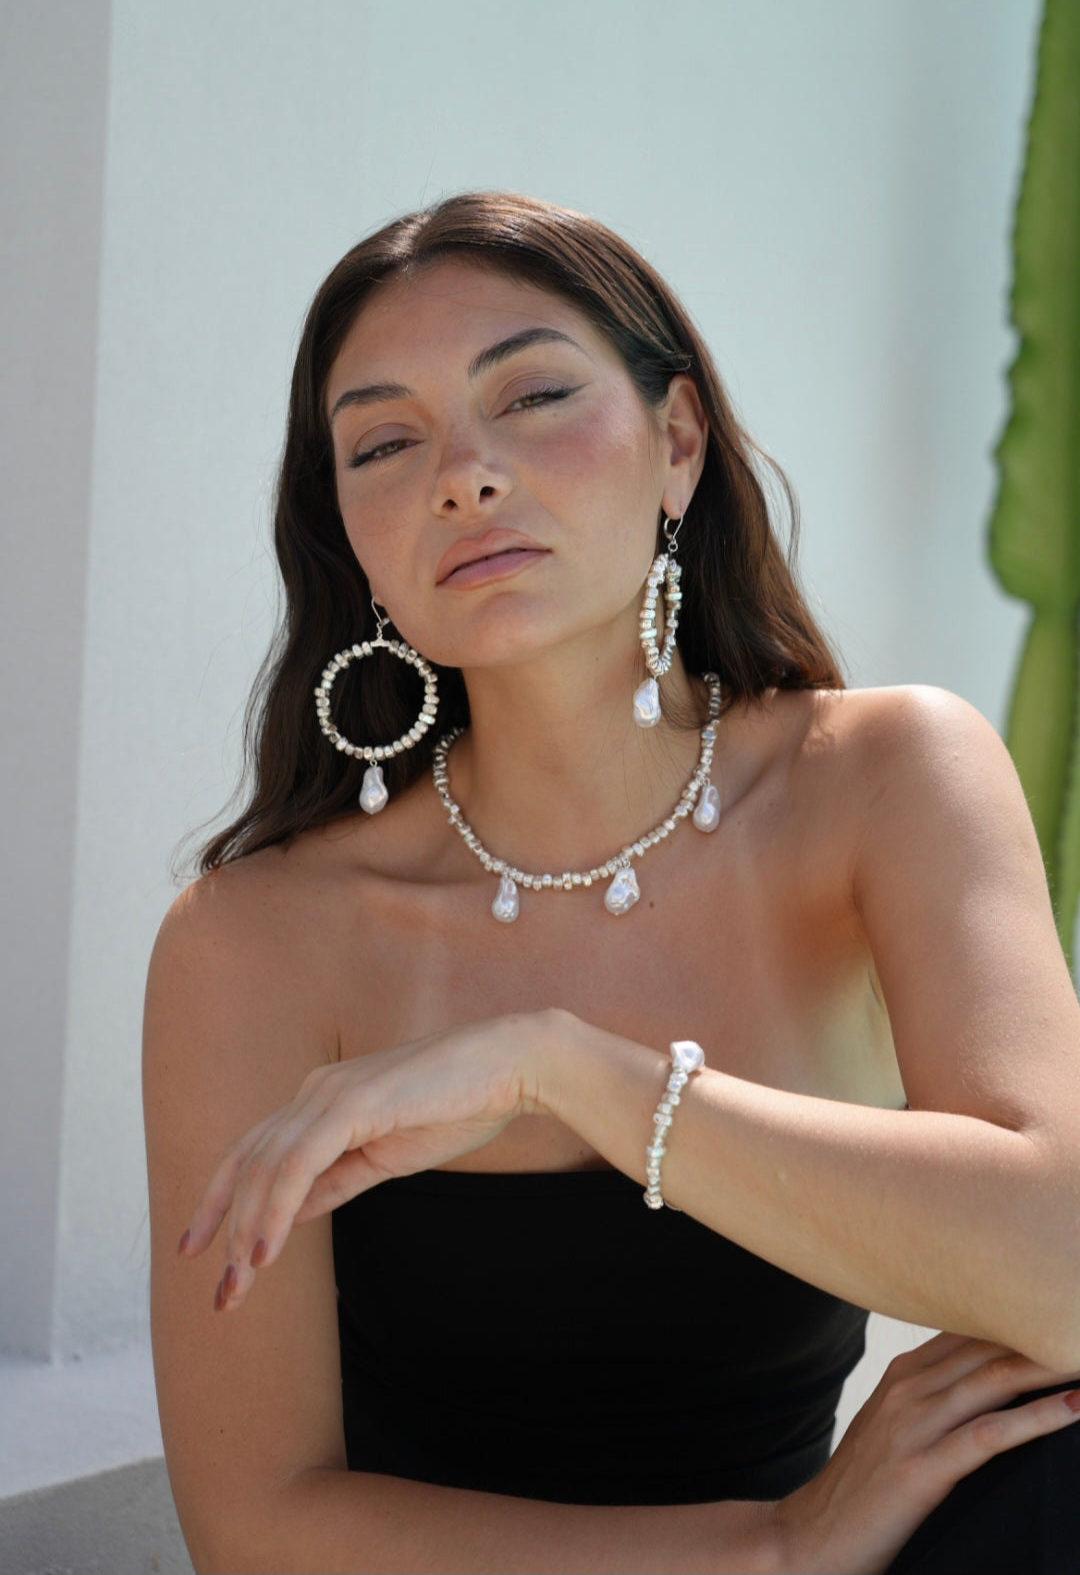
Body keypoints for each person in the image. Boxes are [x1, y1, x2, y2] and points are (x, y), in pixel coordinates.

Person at [143, 190, 1080, 1574]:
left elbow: (1066, 1274)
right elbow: (255, 1527)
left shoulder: (884, 777)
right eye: (387, 443)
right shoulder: (257, 937)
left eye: (530, 396)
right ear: (351, 536)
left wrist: (566, 1070)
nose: (464, 475)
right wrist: (775, 1550)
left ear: (677, 441)